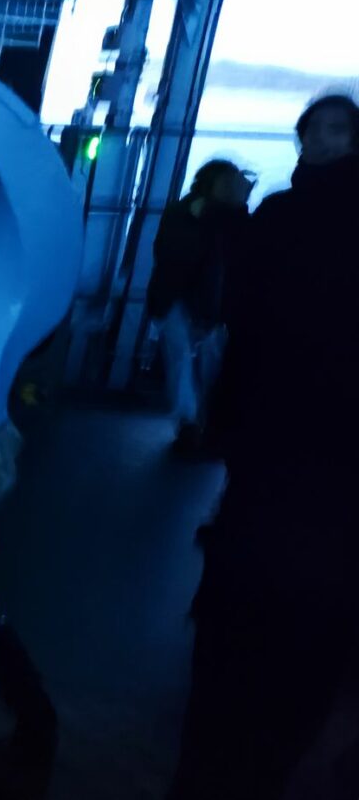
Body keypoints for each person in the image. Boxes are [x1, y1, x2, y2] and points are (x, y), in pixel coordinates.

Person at [170, 95, 359, 800]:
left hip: (270, 437)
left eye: (335, 131)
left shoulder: (279, 218)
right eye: (321, 130)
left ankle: (209, 764)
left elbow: (241, 314)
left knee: (241, 605)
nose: (325, 142)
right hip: (334, 453)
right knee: (310, 616)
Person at [146, 160, 252, 451]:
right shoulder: (228, 219)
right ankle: (198, 423)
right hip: (205, 302)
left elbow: (172, 257)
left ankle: (191, 423)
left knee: (183, 362)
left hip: (176, 299)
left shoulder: (184, 213)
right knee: (204, 363)